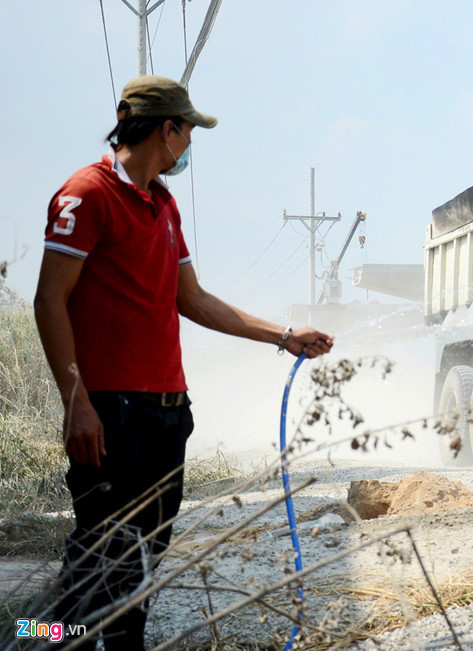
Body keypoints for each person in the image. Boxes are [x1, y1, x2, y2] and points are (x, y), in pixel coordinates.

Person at [34, 75, 334, 650]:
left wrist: (285, 335)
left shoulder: (164, 205)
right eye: (189, 130)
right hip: (111, 414)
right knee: (100, 554)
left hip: (168, 412)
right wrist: (78, 405)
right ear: (166, 130)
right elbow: (49, 301)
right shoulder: (87, 194)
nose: (191, 143)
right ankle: (34, 635)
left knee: (144, 557)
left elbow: (192, 299)